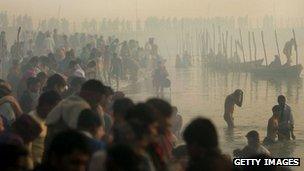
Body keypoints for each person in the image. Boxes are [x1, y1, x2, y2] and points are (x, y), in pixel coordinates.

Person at [45, 79, 105, 151]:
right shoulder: (80, 106)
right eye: (97, 101)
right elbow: (76, 135)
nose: (97, 104)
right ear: (89, 94)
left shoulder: (68, 101)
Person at [28, 90, 62, 166]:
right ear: (45, 105)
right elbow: (27, 150)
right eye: (55, 107)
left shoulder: (51, 120)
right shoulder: (31, 120)